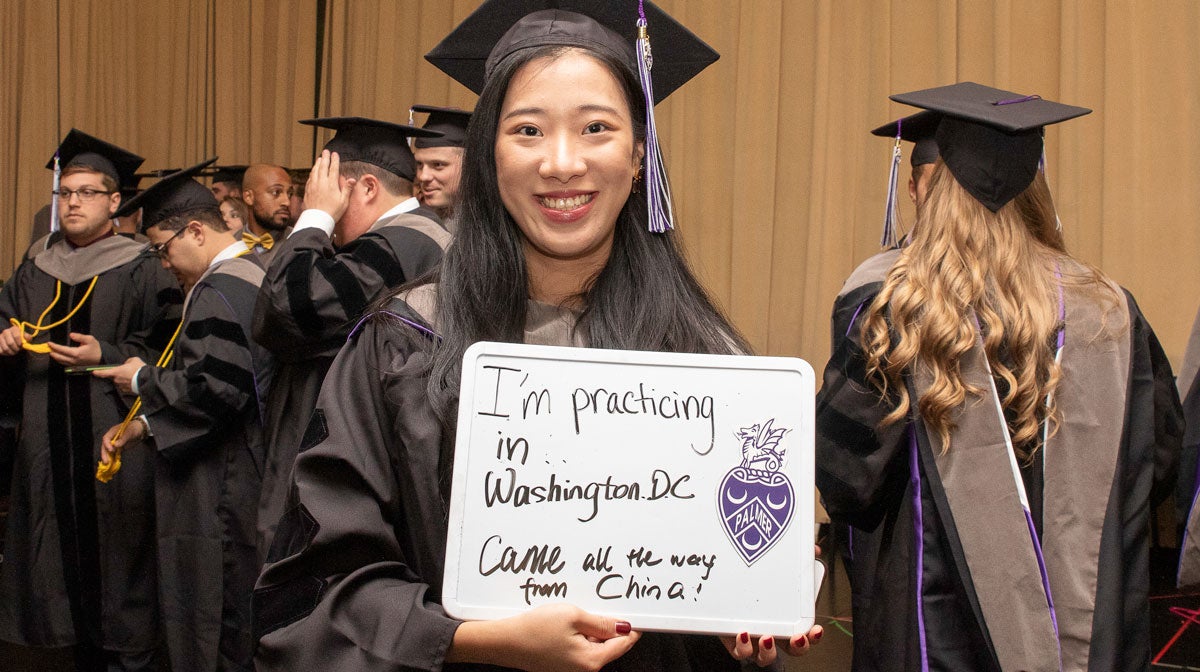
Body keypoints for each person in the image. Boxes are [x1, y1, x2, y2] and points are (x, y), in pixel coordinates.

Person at [252, 2, 820, 670]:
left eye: (596, 128)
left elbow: (712, 577)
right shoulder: (406, 342)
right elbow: (319, 588)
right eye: (527, 129)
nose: (561, 163)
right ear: (489, 157)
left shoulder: (702, 357)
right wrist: (474, 641)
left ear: (639, 155)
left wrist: (739, 615)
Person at [815, 82, 1182, 671]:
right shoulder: (1112, 313)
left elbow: (843, 477)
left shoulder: (895, 316)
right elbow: (1156, 462)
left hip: (930, 634)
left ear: (930, 194)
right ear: (1037, 189)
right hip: (1082, 635)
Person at [0, 129, 182, 670]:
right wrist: (6, 334)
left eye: (86, 192)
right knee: (51, 548)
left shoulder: (144, 265)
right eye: (66, 193)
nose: (73, 202)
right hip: (45, 441)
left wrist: (106, 351)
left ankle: (126, 654)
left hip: (112, 437)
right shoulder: (37, 263)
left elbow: (169, 347)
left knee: (119, 553)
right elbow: (5, 313)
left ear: (114, 202)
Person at [93, 159, 274, 672]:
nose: (161, 262)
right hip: (245, 472)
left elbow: (214, 390)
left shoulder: (223, 289)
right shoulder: (257, 268)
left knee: (215, 618)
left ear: (195, 230)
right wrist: (145, 425)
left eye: (161, 247)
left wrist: (139, 379)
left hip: (224, 484)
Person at [251, 116, 450, 562]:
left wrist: (315, 219)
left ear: (364, 189)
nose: (313, 202)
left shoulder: (395, 246)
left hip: (358, 465)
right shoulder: (428, 236)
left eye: (328, 189)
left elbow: (281, 311)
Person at [411, 104, 472, 226]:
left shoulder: (493, 229)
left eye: (438, 165)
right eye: (419, 164)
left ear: (470, 166)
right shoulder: (414, 222)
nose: (423, 176)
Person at [239, 163, 293, 258]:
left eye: (289, 194)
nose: (287, 202)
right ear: (249, 197)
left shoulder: (298, 244)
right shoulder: (229, 244)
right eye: (276, 192)